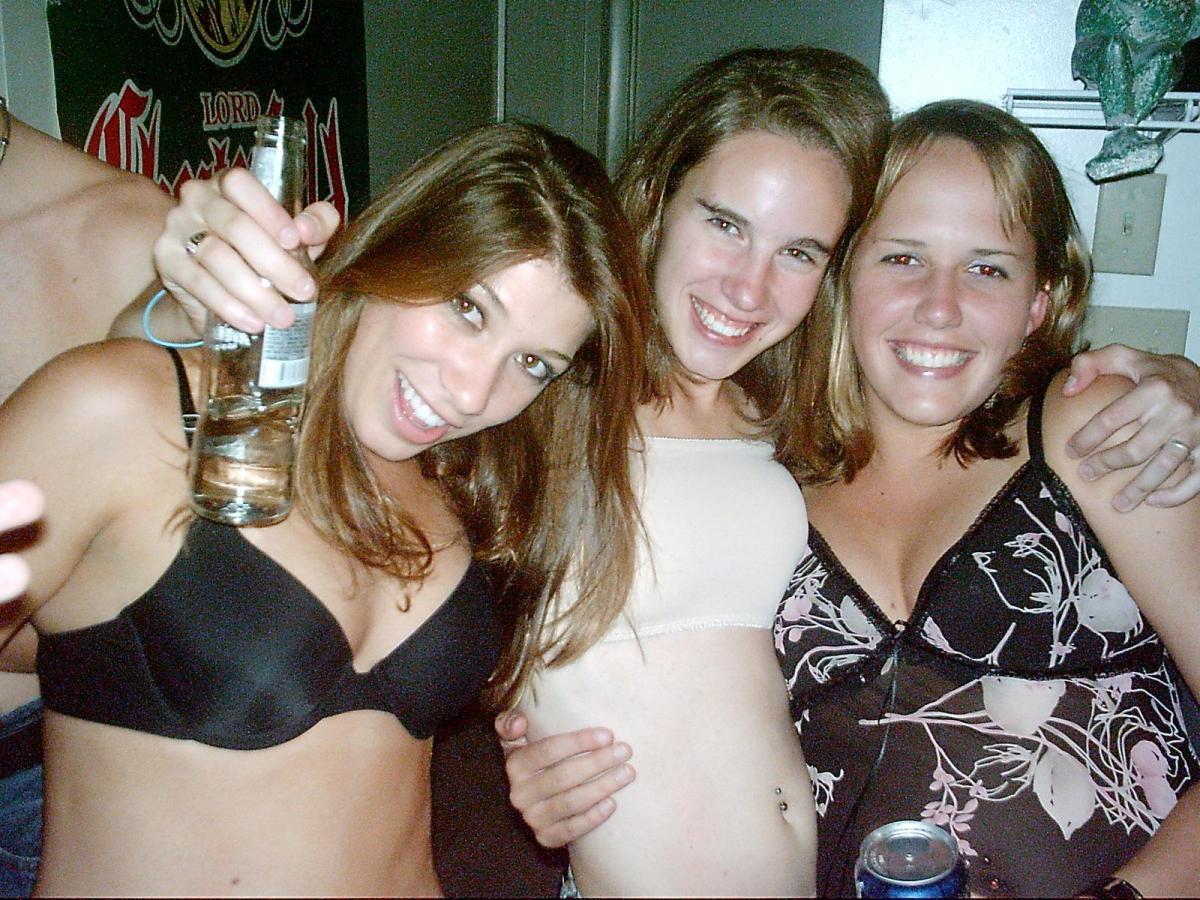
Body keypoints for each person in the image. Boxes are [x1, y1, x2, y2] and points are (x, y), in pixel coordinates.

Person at [158, 48, 1200, 897]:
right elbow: (331, 373)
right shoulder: (538, 385)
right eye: (725, 224)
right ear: (659, 198)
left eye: (801, 251)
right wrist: (192, 293)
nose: (749, 287)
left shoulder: (787, 418)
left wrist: (1181, 382)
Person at [504, 99, 1200, 897]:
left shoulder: (1095, 433)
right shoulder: (769, 486)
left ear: (1040, 300)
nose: (939, 307)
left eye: (988, 269)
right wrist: (533, 751)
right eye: (902, 258)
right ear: (844, 278)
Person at [0, 121, 649, 894]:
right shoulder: (122, 408)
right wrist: (156, 316)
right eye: (468, 309)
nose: (474, 392)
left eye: (532, 363)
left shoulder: (464, 481)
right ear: (397, 246)